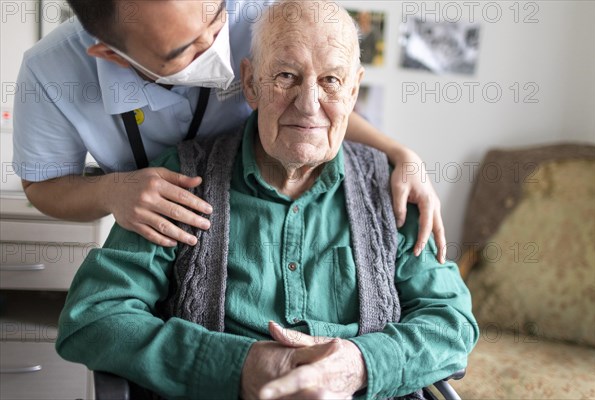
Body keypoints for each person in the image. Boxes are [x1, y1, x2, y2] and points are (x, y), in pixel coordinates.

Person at [56, 2, 478, 398]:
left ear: (353, 91)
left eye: (331, 80)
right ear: (251, 83)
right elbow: (94, 319)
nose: (308, 104)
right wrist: (240, 366)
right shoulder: (183, 178)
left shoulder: (392, 190)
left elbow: (452, 324)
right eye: (286, 76)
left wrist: (360, 364)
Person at [13, 0, 446, 263]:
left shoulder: (257, 13)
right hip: (165, 245)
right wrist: (110, 192)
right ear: (110, 54)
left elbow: (310, 110)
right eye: (188, 50)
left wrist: (401, 154)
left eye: (217, 21)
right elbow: (41, 184)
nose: (217, 49)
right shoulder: (51, 73)